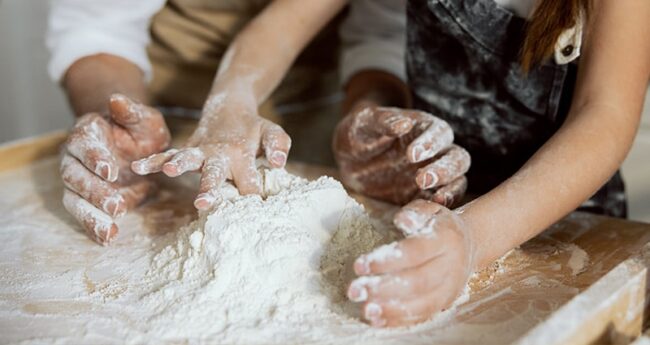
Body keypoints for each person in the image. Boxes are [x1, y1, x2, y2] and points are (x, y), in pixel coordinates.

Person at [53, 0, 650, 329]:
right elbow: (284, 20)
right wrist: (231, 102)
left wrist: (473, 238)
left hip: (559, 223)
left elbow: (605, 121)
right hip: (421, 203)